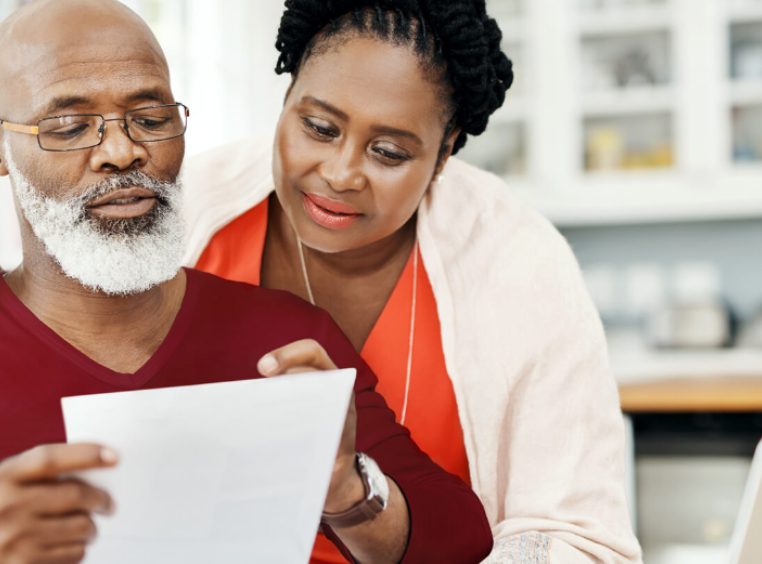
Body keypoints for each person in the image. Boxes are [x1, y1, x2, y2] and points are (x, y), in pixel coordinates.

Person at [0, 1, 494, 563]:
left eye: (152, 118)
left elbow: (460, 536)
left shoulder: (284, 340)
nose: (122, 151)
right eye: (68, 127)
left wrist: (345, 491)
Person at [183, 1, 644, 562]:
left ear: (444, 152)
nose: (340, 173)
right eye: (319, 127)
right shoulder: (189, 214)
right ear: (286, 102)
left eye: (389, 152)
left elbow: (578, 535)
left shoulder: (518, 262)